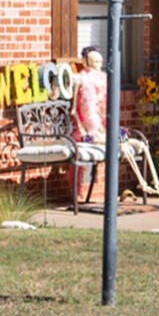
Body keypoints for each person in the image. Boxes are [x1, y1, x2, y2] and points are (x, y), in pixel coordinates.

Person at [70, 47, 109, 204]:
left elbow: (105, 108)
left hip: (100, 129)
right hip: (85, 131)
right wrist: (94, 130)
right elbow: (87, 111)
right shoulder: (84, 81)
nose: (99, 65)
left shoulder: (102, 80)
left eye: (101, 61)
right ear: (87, 62)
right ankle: (77, 191)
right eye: (95, 62)